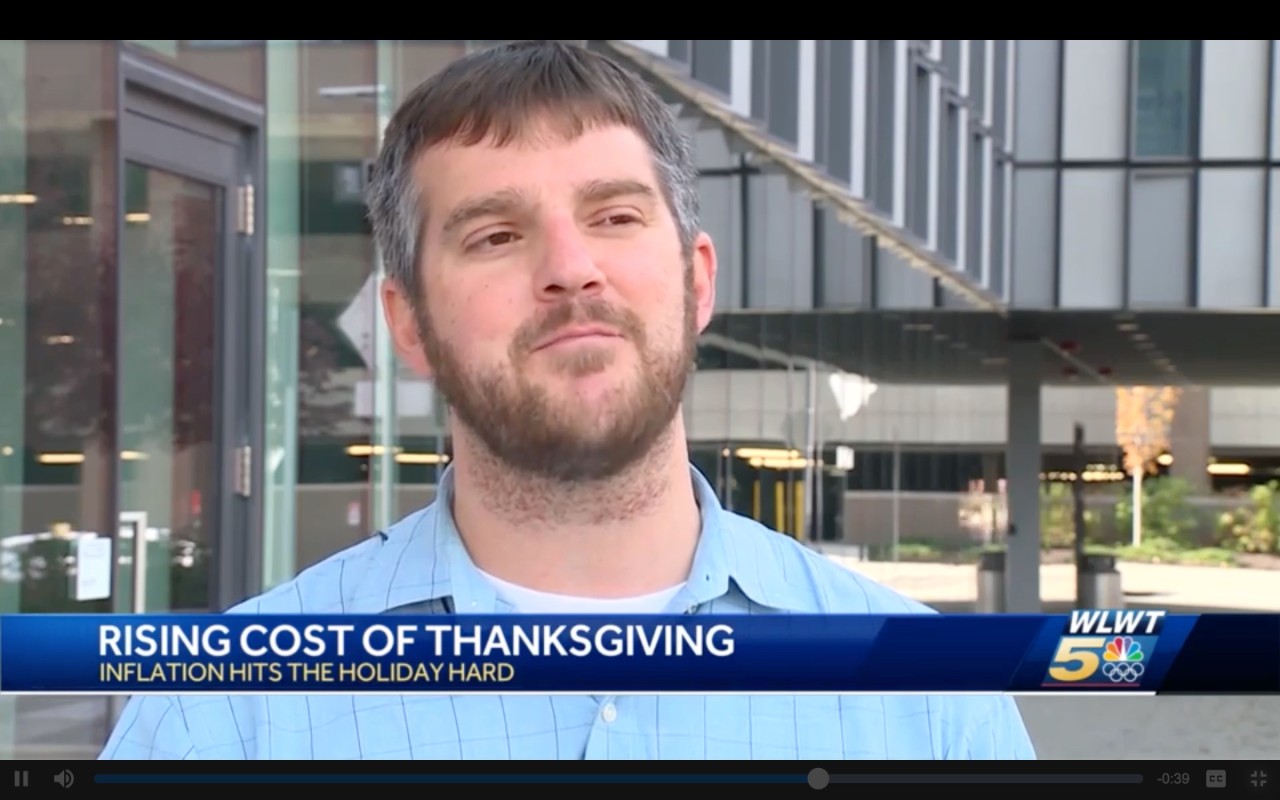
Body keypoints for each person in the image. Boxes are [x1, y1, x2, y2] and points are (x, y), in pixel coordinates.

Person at [101, 40, 1035, 761]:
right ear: (409, 324)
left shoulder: (929, 703)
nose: (570, 269)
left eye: (615, 217)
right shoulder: (223, 718)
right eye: (497, 234)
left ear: (696, 280)